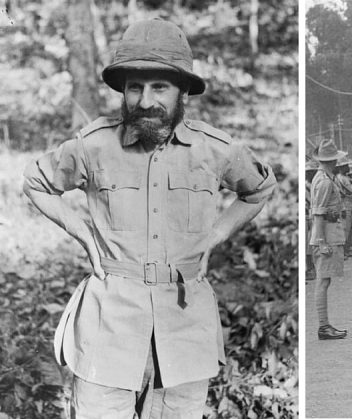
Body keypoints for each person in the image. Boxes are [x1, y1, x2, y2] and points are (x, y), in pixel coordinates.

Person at [22, 20, 276, 416]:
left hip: (185, 327)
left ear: (182, 91)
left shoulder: (215, 150)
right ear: (123, 90)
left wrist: (215, 237)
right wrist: (84, 235)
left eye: (159, 87)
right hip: (109, 326)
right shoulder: (94, 145)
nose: (144, 101)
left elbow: (258, 188)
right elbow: (35, 182)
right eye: (134, 87)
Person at [309, 139, 348, 341]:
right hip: (326, 235)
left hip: (327, 234)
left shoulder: (322, 178)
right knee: (323, 281)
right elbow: (318, 213)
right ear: (332, 161)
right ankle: (324, 326)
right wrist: (322, 242)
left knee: (324, 281)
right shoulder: (324, 182)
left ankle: (325, 325)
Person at [335, 157, 352, 258]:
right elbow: (344, 193)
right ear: (341, 168)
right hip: (346, 203)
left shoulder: (346, 178)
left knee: (349, 227)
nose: (348, 167)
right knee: (346, 228)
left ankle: (348, 248)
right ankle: (345, 250)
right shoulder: (340, 178)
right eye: (346, 166)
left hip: (351, 202)